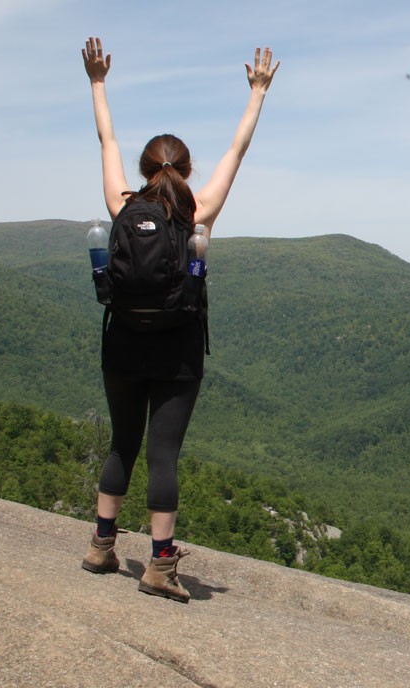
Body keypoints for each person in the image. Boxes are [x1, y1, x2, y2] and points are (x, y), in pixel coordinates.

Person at [78, 36, 279, 601]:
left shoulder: (123, 205)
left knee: (122, 444)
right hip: (177, 348)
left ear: (146, 172)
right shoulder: (198, 212)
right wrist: (257, 94)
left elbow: (106, 138)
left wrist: (97, 82)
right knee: (163, 454)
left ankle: (101, 545)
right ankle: (160, 566)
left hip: (122, 343)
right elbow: (236, 153)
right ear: (186, 170)